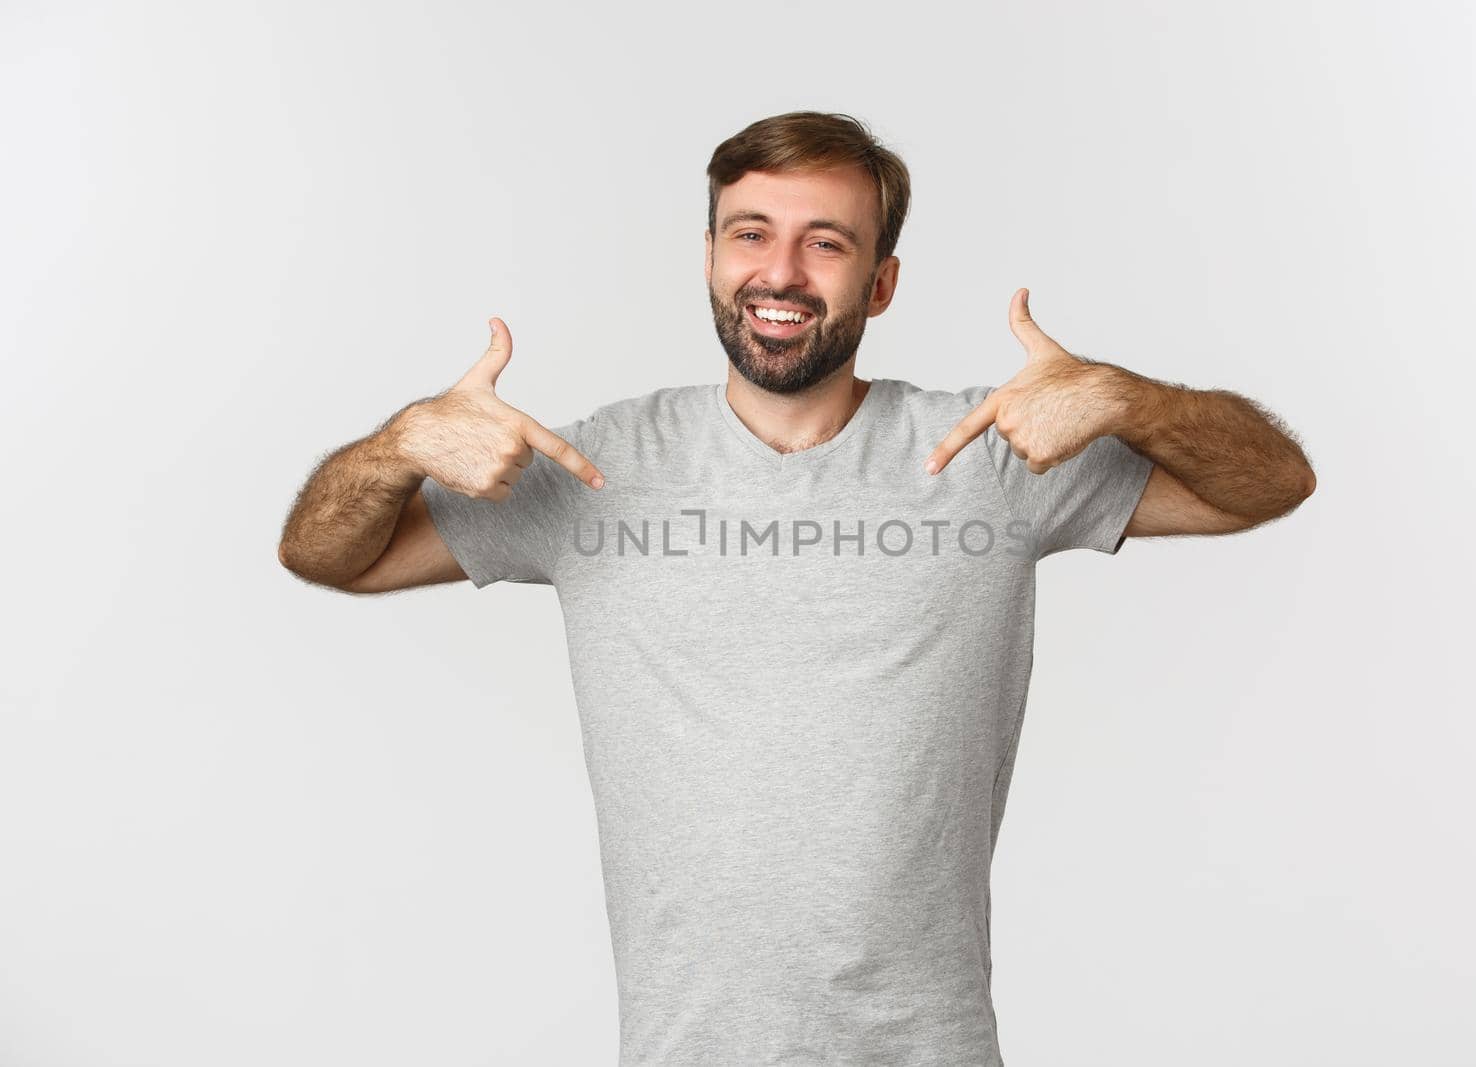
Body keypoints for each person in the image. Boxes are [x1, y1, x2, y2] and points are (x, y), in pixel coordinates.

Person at [278, 110, 1316, 1065]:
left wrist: (1122, 398)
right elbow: (330, 554)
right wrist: (401, 442)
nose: (779, 270)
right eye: (749, 233)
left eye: (826, 241)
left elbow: (1269, 483)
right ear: (708, 257)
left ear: (881, 282)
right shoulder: (594, 466)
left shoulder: (989, 456)